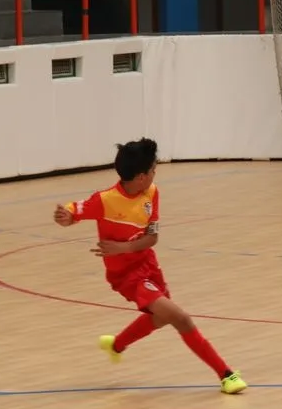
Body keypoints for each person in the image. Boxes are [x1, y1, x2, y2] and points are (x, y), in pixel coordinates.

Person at [52, 137, 247, 394]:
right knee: (180, 318)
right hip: (126, 276)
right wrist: (65, 217)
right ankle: (226, 375)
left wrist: (124, 248)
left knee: (162, 316)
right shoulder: (105, 200)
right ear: (141, 176)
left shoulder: (152, 193)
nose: (156, 173)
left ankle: (116, 345)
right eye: (154, 169)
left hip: (148, 265)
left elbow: (152, 238)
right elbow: (74, 210)